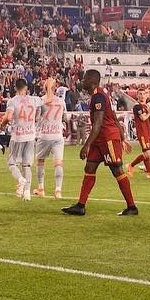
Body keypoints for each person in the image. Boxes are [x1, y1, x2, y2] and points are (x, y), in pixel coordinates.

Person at [61, 70, 137, 217]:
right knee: (89, 167)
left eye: (84, 79)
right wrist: (122, 137)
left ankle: (132, 206)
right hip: (100, 138)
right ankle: (81, 205)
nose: (82, 81)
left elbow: (98, 123)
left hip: (107, 137)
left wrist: (86, 145)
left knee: (117, 170)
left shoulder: (98, 96)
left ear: (91, 80)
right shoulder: (99, 95)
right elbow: (113, 117)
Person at [3, 78, 40, 200]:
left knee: (12, 163)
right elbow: (43, 105)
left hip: (18, 136)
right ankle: (27, 193)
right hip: (30, 135)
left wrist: (2, 124)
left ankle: (20, 179)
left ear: (15, 88)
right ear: (26, 88)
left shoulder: (12, 101)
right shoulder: (34, 99)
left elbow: (8, 117)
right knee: (27, 165)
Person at [32, 78, 66, 199]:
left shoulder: (41, 101)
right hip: (57, 135)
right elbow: (64, 118)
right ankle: (58, 190)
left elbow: (36, 118)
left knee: (41, 162)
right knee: (58, 163)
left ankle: (41, 188)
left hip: (45, 135)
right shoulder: (61, 101)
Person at [125, 91, 150, 179]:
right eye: (140, 94)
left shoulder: (146, 106)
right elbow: (143, 118)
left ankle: (149, 172)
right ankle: (131, 165)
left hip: (148, 132)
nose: (142, 96)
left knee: (148, 152)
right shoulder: (137, 106)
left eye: (144, 94)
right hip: (142, 133)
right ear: (137, 96)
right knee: (147, 153)